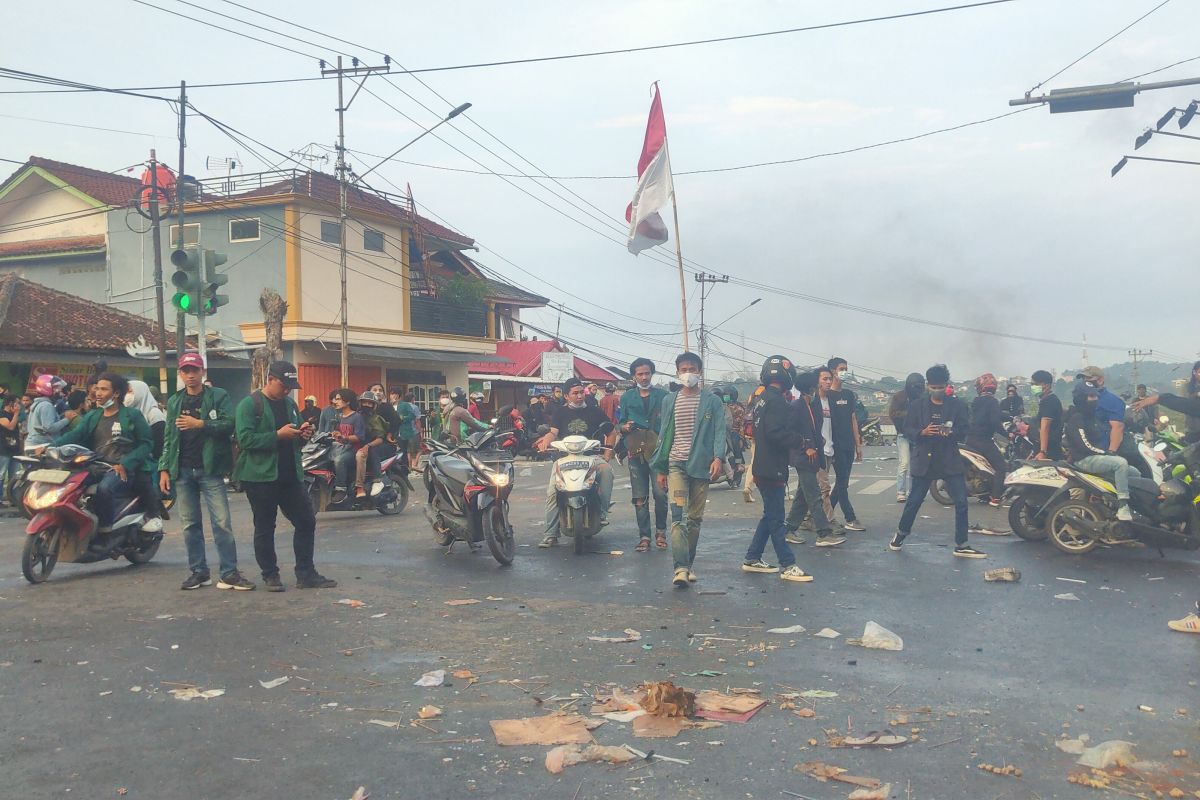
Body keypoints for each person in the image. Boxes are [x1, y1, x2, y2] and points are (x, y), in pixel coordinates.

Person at [234, 361, 335, 591]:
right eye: (283, 385)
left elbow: (296, 434)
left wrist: (304, 433)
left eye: (291, 386)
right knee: (265, 526)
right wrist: (277, 435)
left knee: (306, 521)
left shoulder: (289, 404)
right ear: (270, 379)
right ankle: (270, 575)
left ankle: (306, 573)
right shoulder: (250, 405)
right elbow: (245, 440)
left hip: (290, 475)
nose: (287, 390)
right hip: (260, 477)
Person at [160, 352, 252, 591]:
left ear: (203, 372)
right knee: (190, 525)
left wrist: (200, 424)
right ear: (180, 374)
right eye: (186, 371)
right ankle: (199, 572)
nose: (190, 375)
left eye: (195, 370)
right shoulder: (174, 401)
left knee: (221, 523)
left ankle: (229, 573)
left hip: (210, 469)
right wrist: (164, 469)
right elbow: (169, 437)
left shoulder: (218, 396)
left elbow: (229, 424)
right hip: (182, 470)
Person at [890, 364, 986, 559]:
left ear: (946, 385)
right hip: (925, 459)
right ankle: (900, 535)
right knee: (914, 501)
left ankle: (962, 544)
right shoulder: (918, 406)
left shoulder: (957, 405)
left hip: (949, 458)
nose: (937, 390)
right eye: (933, 387)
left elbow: (964, 428)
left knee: (961, 501)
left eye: (940, 387)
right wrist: (921, 432)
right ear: (928, 385)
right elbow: (907, 428)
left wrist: (951, 432)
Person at [650, 352, 726, 588]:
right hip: (676, 465)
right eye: (683, 369)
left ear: (700, 372)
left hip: (701, 466)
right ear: (677, 372)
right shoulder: (669, 400)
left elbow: (719, 431)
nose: (688, 373)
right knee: (678, 518)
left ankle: (687, 564)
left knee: (695, 519)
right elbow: (664, 435)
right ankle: (680, 568)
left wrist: (718, 458)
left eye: (692, 368)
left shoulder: (712, 401)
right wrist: (661, 468)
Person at [52, 372, 158, 533]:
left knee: (104, 489)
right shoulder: (93, 415)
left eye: (103, 389)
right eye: (97, 389)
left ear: (116, 393)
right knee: (68, 485)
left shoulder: (132, 415)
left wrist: (125, 464)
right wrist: (51, 447)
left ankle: (105, 528)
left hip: (121, 469)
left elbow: (146, 444)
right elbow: (75, 435)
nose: (97, 393)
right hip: (96, 465)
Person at [741, 356, 813, 582]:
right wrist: (799, 441)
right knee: (776, 519)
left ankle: (752, 558)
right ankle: (788, 564)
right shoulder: (778, 402)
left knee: (770, 514)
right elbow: (775, 433)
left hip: (763, 464)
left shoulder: (763, 398)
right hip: (772, 467)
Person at [537, 377, 615, 548]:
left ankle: (602, 513)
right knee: (552, 491)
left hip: (591, 457)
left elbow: (611, 432)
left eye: (582, 392)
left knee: (607, 471)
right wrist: (545, 441)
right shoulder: (560, 412)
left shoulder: (595, 411)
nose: (580, 396)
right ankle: (550, 533)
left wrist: (607, 454)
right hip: (565, 458)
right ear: (566, 396)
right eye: (575, 393)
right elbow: (553, 432)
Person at [785, 370, 845, 548]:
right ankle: (823, 533)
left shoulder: (811, 405)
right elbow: (789, 432)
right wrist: (806, 446)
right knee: (814, 495)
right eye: (817, 384)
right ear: (810, 387)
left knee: (803, 496)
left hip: (813, 457)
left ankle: (789, 529)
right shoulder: (796, 406)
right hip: (803, 457)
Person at [1065, 382, 1135, 521]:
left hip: (1095, 458)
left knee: (1134, 472)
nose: (1095, 399)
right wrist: (1106, 453)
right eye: (1091, 396)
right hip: (1084, 460)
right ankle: (1123, 506)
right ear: (1081, 398)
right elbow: (1084, 445)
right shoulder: (1077, 418)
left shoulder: (1092, 417)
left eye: (1095, 396)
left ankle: (1129, 505)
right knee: (1120, 464)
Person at [619, 358, 668, 552]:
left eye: (647, 373)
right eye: (640, 374)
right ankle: (645, 536)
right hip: (635, 451)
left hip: (658, 452)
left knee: (660, 495)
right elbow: (620, 422)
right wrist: (623, 427)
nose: (644, 377)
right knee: (640, 497)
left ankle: (661, 533)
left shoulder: (664, 396)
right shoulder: (627, 398)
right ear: (634, 376)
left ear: (651, 374)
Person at [1078, 366, 1143, 474]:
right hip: (1086, 451)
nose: (1085, 382)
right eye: (1083, 379)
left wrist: (1111, 453)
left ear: (1100, 380)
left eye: (1089, 379)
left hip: (1103, 451)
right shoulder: (1082, 399)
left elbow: (1117, 427)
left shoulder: (1111, 400)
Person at [825, 358, 865, 532]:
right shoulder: (827, 396)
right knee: (842, 483)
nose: (844, 372)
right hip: (835, 445)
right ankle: (850, 518)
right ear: (833, 371)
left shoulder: (848, 395)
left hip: (848, 444)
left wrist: (858, 445)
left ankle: (824, 516)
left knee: (842, 483)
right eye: (842, 369)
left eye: (846, 369)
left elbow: (853, 419)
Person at [125, 380, 167, 527]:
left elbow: (158, 443)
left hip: (149, 460)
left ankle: (154, 514)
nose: (127, 395)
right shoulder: (127, 413)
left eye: (130, 392)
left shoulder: (154, 414)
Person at [965, 373, 1007, 507]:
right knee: (1001, 467)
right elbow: (995, 420)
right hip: (984, 440)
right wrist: (1007, 434)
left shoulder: (977, 401)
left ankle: (985, 493)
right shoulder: (993, 401)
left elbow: (992, 415)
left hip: (971, 439)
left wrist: (1008, 417)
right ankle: (995, 497)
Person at [1134, 362, 1200, 444]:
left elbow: (1190, 406)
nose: (1141, 391)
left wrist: (1161, 399)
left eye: (1142, 389)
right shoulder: (1189, 387)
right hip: (1191, 430)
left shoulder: (1150, 399)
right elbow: (1186, 403)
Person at [889, 373, 924, 503]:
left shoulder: (922, 398)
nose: (918, 390)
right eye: (916, 387)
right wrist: (909, 414)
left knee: (915, 465)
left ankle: (913, 492)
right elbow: (892, 414)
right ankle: (900, 491)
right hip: (903, 434)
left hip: (916, 434)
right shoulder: (899, 397)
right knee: (904, 464)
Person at [354, 391, 393, 499]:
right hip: (361, 445)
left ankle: (377, 480)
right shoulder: (356, 416)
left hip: (380, 445)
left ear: (374, 405)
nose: (366, 405)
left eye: (369, 403)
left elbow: (380, 439)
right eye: (364, 402)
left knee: (372, 451)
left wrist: (368, 446)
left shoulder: (376, 419)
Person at [329, 388, 363, 502]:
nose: (335, 401)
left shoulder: (356, 417)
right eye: (335, 399)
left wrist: (344, 438)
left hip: (354, 449)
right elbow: (339, 433)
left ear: (347, 401)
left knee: (339, 460)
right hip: (342, 447)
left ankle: (341, 489)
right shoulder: (340, 417)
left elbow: (359, 437)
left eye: (338, 399)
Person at [24, 374, 72, 451]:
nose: (59, 390)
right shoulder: (46, 405)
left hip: (34, 445)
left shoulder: (38, 404)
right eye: (56, 388)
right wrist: (67, 419)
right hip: (40, 446)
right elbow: (49, 428)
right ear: (47, 388)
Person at [1030, 370, 1063, 460]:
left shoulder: (1049, 401)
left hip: (1050, 451)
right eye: (1031, 384)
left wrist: (1042, 452)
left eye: (1035, 384)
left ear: (1046, 385)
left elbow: (1045, 428)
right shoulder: (1045, 400)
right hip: (1045, 448)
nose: (1032, 387)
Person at [742, 384, 765, 503]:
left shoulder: (753, 393)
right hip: (765, 433)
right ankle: (749, 487)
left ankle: (748, 487)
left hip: (752, 433)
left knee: (754, 460)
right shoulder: (770, 393)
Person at [0, 396, 20, 504]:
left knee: (15, 475)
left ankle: (13, 498)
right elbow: (10, 427)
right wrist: (16, 414)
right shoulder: (2, 414)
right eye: (16, 403)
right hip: (4, 449)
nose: (18, 406)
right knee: (1, 474)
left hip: (14, 449)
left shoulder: (14, 416)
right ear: (10, 404)